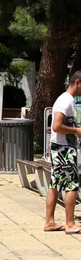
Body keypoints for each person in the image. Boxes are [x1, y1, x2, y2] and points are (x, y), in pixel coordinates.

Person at [44, 71, 81, 234]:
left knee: (55, 184)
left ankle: (50, 222)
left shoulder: (67, 100)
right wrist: (77, 130)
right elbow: (56, 126)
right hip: (64, 149)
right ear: (78, 82)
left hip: (59, 148)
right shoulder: (66, 101)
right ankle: (70, 223)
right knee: (72, 185)